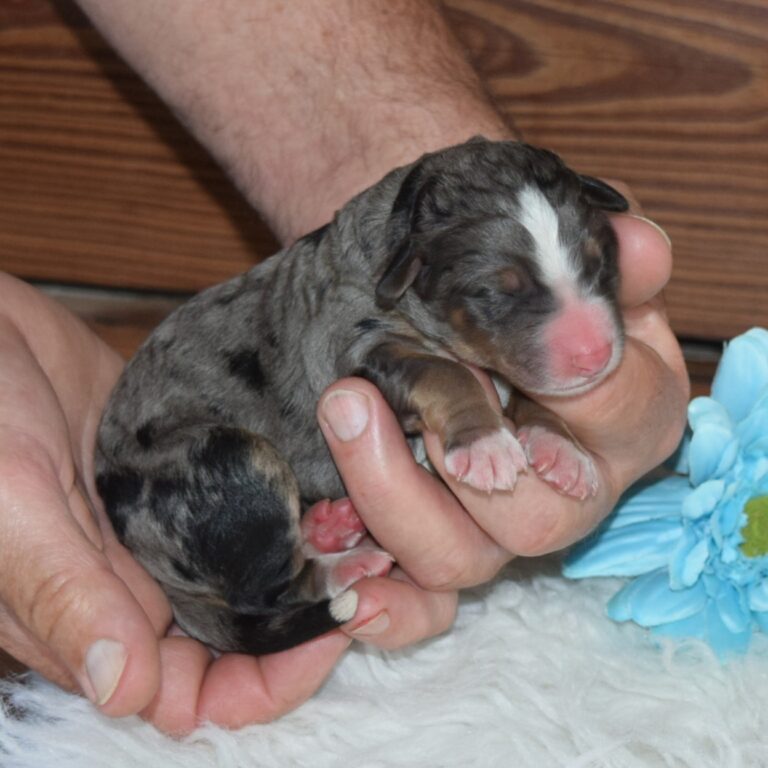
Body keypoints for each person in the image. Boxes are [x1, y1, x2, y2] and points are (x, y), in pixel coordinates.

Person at [0, 0, 688, 734]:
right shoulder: (366, 298)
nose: (590, 341)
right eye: (507, 296)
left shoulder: (418, 265)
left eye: (592, 267)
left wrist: (537, 421)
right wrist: (464, 422)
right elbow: (389, 361)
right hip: (175, 465)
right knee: (259, 466)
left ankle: (310, 559)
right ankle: (288, 582)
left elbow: (472, 326)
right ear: (409, 270)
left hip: (273, 473)